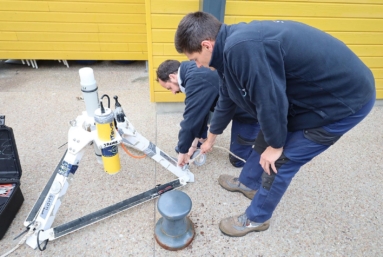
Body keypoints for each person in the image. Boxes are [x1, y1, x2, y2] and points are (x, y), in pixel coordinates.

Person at [174, 11, 376, 237]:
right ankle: (248, 182)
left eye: (194, 59)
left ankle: (256, 218)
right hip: (308, 96)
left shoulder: (243, 49)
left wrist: (277, 146)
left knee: (279, 160)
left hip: (343, 100)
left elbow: (269, 101)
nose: (197, 66)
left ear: (206, 45)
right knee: (268, 138)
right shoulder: (228, 51)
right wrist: (210, 138)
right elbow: (227, 98)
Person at [156, 60, 260, 168]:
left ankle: (270, 150)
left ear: (172, 77)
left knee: (238, 160)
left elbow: (191, 121)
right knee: (193, 131)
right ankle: (199, 140)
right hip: (233, 106)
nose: (173, 93)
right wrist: (192, 144)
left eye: (169, 88)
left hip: (250, 113)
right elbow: (200, 112)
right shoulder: (191, 70)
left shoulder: (197, 79)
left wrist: (183, 151)